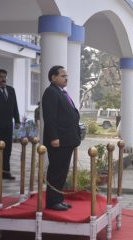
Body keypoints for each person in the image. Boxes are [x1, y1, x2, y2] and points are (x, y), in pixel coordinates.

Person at [42, 65, 81, 211]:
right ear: (53, 77)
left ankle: (58, 199)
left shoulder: (61, 92)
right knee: (56, 171)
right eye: (63, 76)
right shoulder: (51, 92)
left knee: (62, 172)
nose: (66, 78)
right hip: (59, 140)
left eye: (66, 76)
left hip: (67, 139)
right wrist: (54, 137)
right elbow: (50, 117)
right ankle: (52, 202)